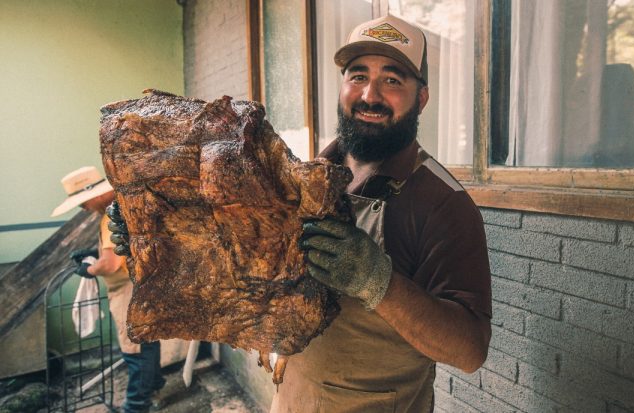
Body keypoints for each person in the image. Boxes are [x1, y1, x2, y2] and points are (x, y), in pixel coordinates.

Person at [109, 14, 491, 412]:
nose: (370, 95)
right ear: (343, 86)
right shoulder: (305, 179)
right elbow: (239, 261)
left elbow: (470, 351)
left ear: (422, 98)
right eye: (358, 76)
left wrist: (378, 282)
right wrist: (154, 234)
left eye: (393, 80)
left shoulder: (442, 203)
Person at [52, 166, 164, 413]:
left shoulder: (111, 215)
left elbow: (111, 263)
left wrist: (89, 268)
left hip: (128, 290)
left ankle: (135, 407)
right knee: (148, 342)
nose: (83, 208)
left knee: (134, 351)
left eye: (83, 202)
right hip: (144, 284)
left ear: (98, 194)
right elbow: (122, 250)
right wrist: (96, 254)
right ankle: (155, 388)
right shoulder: (126, 206)